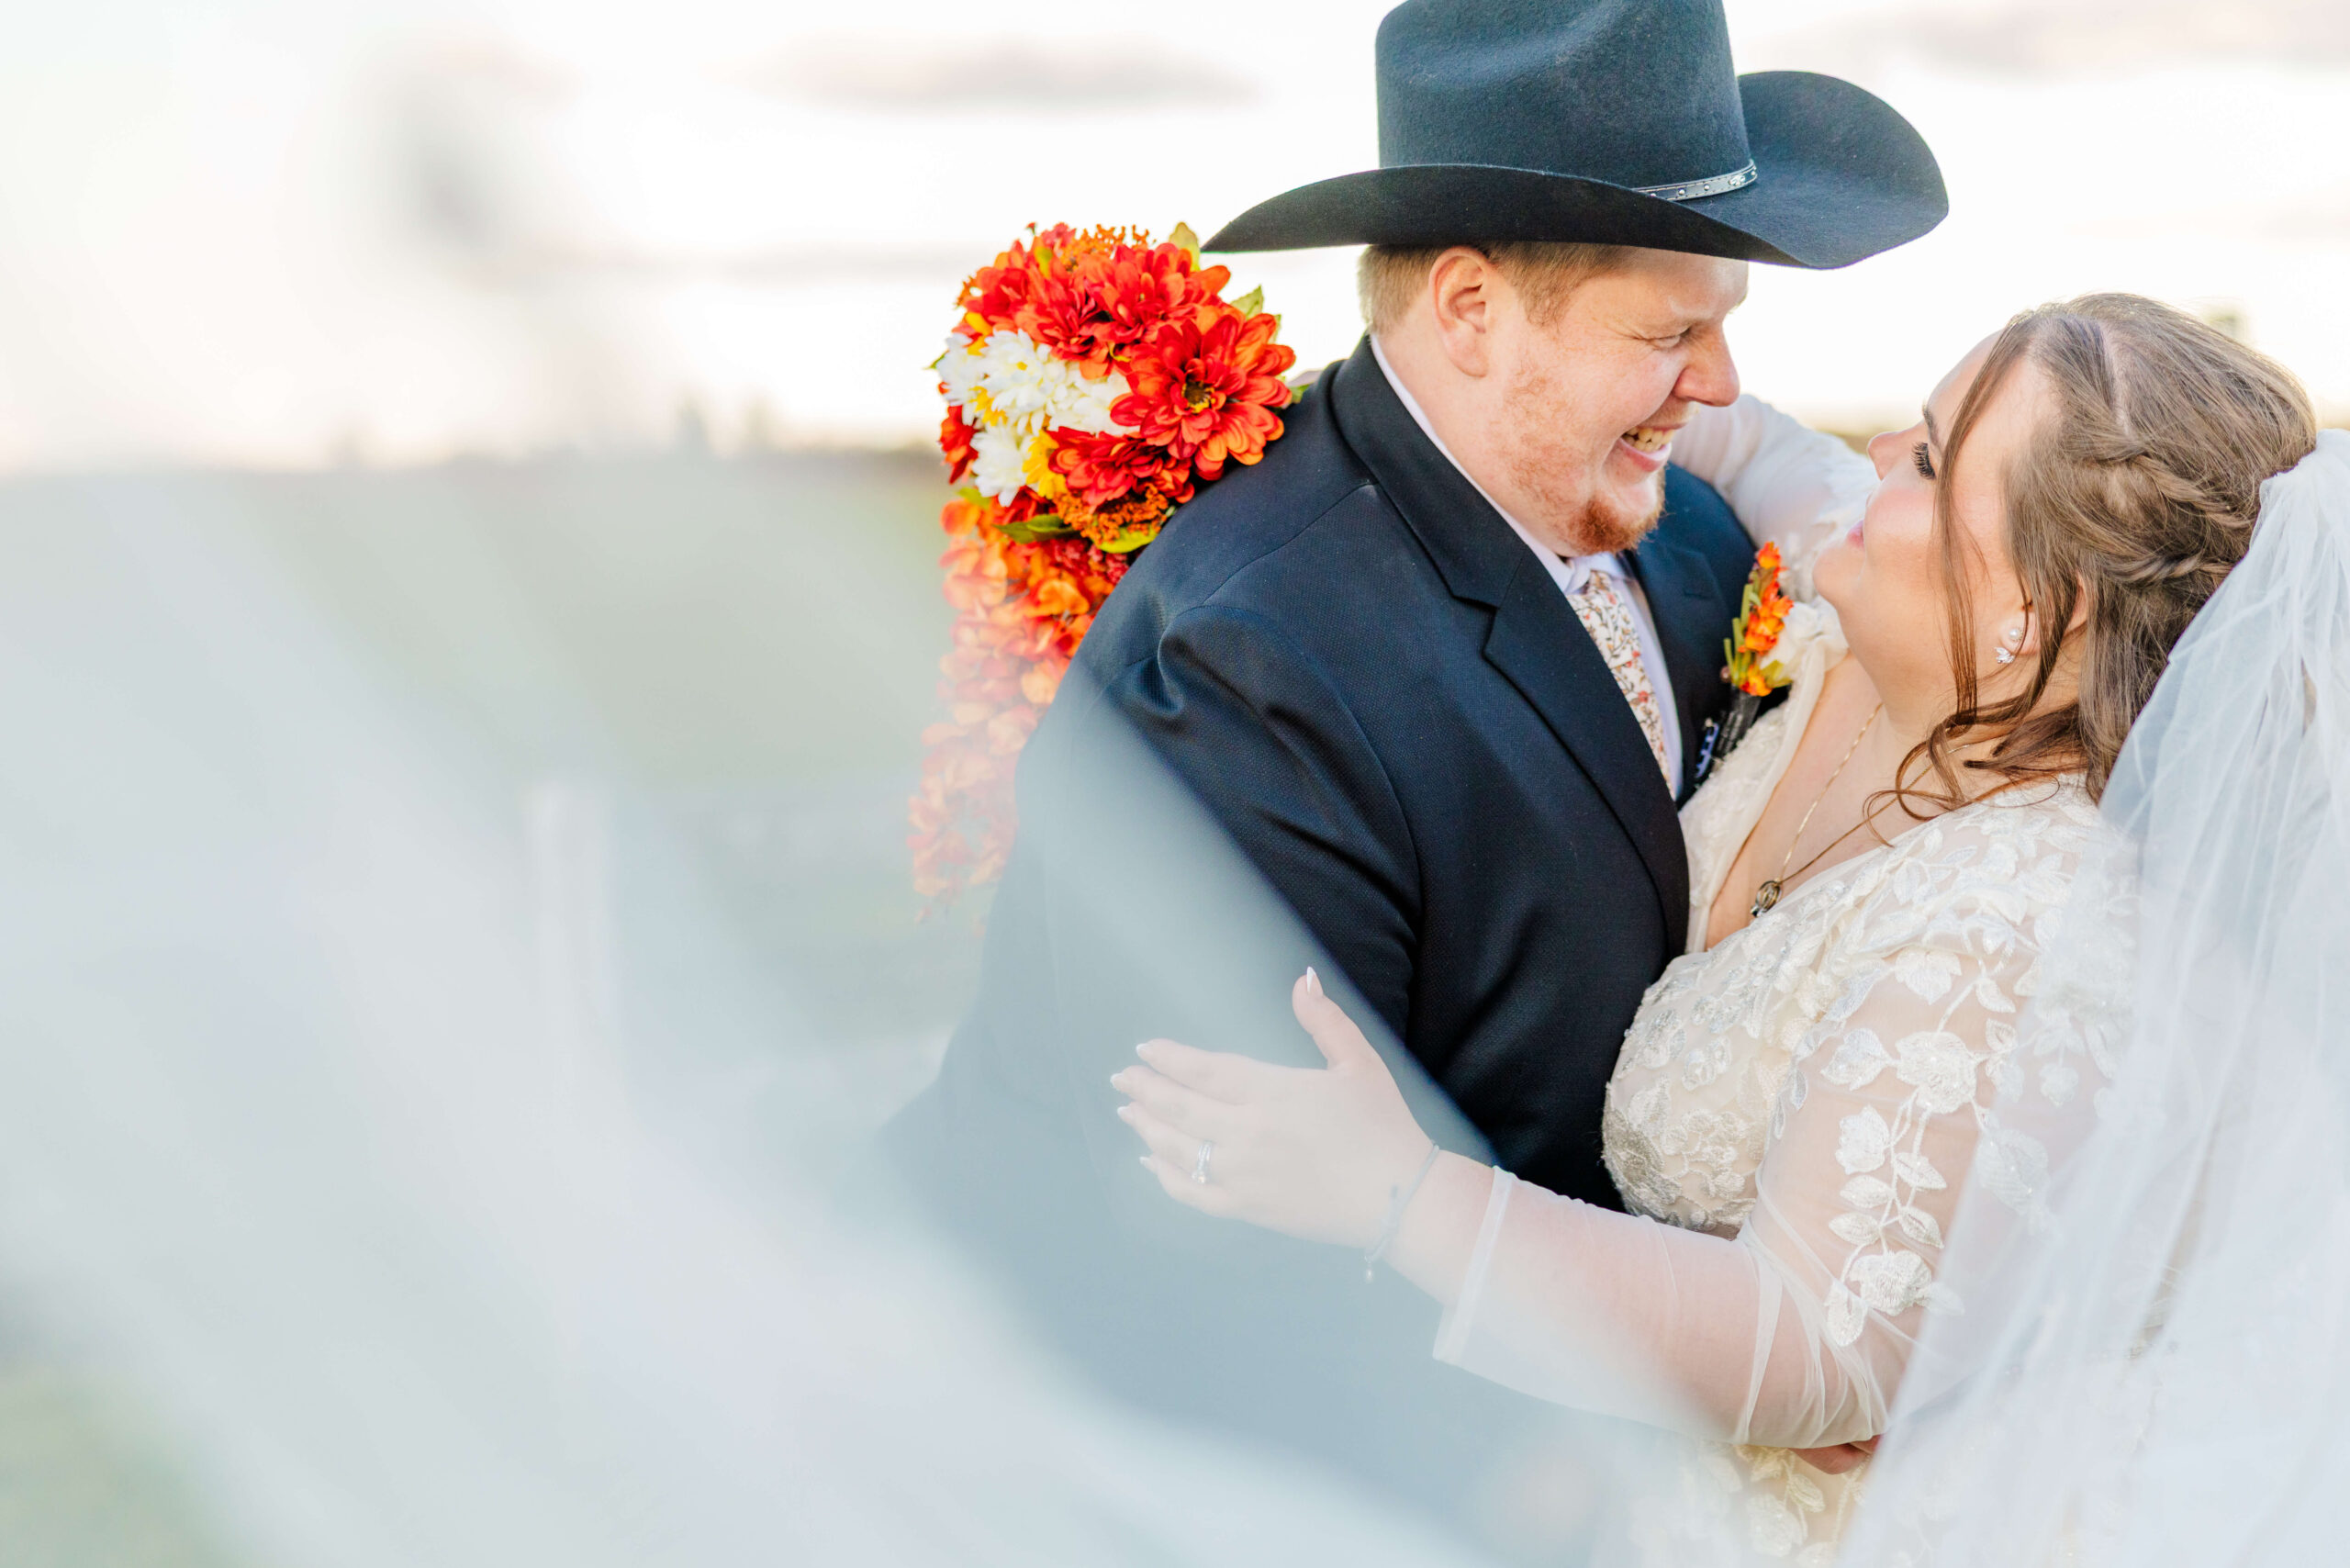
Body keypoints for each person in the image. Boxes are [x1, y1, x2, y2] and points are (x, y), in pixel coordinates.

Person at [881, 0, 1945, 1524]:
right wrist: (1648, 1435)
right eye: (1669, 332)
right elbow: (1234, 1233)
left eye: (1724, 329)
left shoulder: (1692, 540)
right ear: (1467, 310)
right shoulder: (1253, 662)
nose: (1717, 386)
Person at [1112, 293, 2322, 1562]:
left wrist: (1399, 1199)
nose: (1872, 462)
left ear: (2045, 604)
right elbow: (1746, 442)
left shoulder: (2030, 928)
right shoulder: (1853, 635)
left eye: (1926, 456)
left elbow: (1818, 1348)